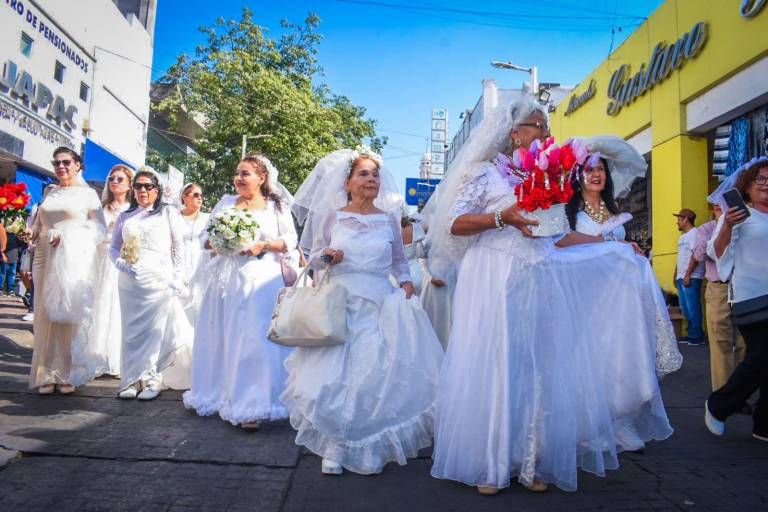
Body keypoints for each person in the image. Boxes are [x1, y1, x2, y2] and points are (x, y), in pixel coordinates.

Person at [428, 97, 673, 494]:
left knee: (538, 364)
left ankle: (531, 458)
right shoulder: (484, 173)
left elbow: (558, 234)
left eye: (546, 126)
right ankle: (491, 462)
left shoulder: (546, 176)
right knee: (499, 361)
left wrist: (611, 248)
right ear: (513, 132)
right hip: (495, 273)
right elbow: (453, 224)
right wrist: (500, 218)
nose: (545, 133)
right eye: (538, 125)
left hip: (539, 274)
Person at [282, 147, 444, 475]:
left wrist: (406, 285)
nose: (371, 179)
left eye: (375, 174)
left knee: (375, 377)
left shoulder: (388, 220)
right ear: (348, 182)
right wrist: (327, 256)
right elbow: (313, 259)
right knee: (332, 379)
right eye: (363, 174)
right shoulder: (333, 216)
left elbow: (399, 260)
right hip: (339, 302)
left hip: (381, 302)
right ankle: (333, 447)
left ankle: (370, 446)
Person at [183, 155, 296, 429]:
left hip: (262, 279)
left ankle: (252, 403)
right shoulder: (225, 203)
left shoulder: (275, 207)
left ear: (262, 178)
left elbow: (290, 241)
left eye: (245, 173)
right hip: (226, 280)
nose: (239, 178)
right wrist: (220, 241)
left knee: (255, 339)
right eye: (237, 173)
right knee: (225, 336)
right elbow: (204, 239)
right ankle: (225, 391)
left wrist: (262, 245)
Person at [565, 136, 683, 383]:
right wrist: (610, 244)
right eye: (589, 169)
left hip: (622, 293)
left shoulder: (614, 209)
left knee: (621, 353)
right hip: (589, 295)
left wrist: (630, 249)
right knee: (594, 354)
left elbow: (619, 245)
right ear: (578, 176)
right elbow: (561, 242)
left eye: (600, 169)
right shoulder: (570, 213)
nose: (597, 174)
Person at [28, 147, 105, 394]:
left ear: (77, 164)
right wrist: (29, 233)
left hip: (72, 259)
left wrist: (68, 237)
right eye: (56, 163)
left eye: (66, 162)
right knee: (44, 314)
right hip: (43, 256)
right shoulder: (50, 192)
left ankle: (67, 372)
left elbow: (99, 230)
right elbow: (39, 224)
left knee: (68, 314)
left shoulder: (89, 195)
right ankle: (46, 372)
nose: (61, 167)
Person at [110, 169, 191, 400]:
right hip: (130, 281)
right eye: (138, 186)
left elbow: (178, 246)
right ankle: (131, 379)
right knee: (132, 332)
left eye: (148, 186)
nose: (143, 191)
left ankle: (153, 378)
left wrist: (178, 275)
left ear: (157, 190)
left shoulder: (167, 212)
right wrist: (121, 264)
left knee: (156, 330)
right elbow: (114, 247)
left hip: (159, 279)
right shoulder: (125, 216)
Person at [705, 156, 768, 443]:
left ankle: (763, 425)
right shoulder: (739, 214)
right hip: (751, 296)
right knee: (761, 356)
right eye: (761, 179)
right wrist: (728, 226)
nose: (766, 184)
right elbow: (716, 252)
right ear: (747, 185)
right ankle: (719, 405)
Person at [694, 204, 746, 392]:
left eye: (724, 203)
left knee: (744, 342)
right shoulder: (705, 229)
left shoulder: (743, 225)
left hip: (743, 286)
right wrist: (722, 227)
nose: (720, 206)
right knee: (720, 343)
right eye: (716, 204)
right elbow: (701, 254)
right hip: (719, 289)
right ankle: (724, 394)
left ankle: (741, 393)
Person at [91, 164, 134, 377]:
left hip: (122, 261)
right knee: (100, 303)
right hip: (101, 260)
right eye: (112, 179)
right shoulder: (102, 208)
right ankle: (97, 355)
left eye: (119, 179)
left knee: (118, 306)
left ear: (129, 185)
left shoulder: (132, 210)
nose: (115, 182)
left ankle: (118, 358)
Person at [674, 208, 706, 346]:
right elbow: (680, 257)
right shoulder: (682, 237)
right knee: (685, 307)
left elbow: (696, 255)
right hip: (682, 276)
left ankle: (697, 336)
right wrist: (675, 275)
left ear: (686, 219)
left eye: (679, 219)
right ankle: (690, 333)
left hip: (692, 276)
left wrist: (688, 274)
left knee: (693, 307)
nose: (677, 222)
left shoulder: (695, 233)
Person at [178, 183, 211, 285]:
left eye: (201, 195)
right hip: (179, 268)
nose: (200, 198)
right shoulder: (174, 217)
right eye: (196, 195)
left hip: (202, 270)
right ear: (185, 197)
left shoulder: (208, 219)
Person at [400, 214, 425, 296]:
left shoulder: (390, 230)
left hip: (397, 275)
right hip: (414, 272)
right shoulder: (415, 228)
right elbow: (421, 252)